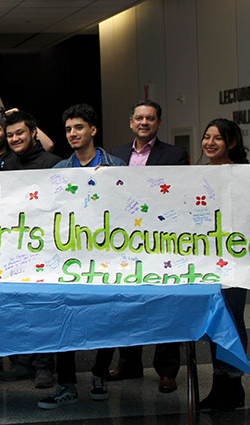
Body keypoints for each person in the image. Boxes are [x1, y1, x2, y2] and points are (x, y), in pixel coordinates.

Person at [39, 104, 125, 410]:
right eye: (68, 129)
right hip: (68, 257)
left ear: (93, 130)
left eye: (78, 127)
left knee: (106, 315)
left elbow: (129, 210)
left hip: (107, 255)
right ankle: (67, 384)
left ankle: (100, 374)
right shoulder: (59, 170)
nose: (73, 134)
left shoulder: (117, 166)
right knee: (65, 317)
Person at [102, 100, 189, 393]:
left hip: (160, 240)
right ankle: (129, 364)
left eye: (150, 118)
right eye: (139, 118)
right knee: (127, 303)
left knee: (165, 304)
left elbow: (178, 195)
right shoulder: (115, 154)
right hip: (124, 240)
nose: (144, 123)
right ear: (130, 122)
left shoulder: (175, 155)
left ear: (159, 123)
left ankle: (166, 370)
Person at [0, 111, 60, 389]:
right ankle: (22, 361)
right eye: (10, 135)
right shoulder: (6, 164)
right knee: (18, 308)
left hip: (47, 249)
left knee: (44, 309)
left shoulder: (53, 164)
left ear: (33, 132)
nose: (14, 139)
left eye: (20, 133)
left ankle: (44, 366)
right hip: (14, 249)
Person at [198, 118, 248, 411]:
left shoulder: (243, 174)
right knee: (215, 320)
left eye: (218, 138)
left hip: (236, 261)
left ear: (231, 143)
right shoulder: (197, 176)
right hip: (205, 261)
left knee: (232, 318)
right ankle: (221, 385)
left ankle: (234, 384)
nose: (210, 143)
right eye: (206, 137)